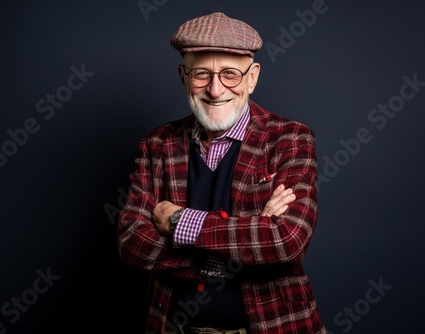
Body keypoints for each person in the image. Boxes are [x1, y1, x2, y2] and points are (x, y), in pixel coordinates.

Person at [117, 11, 327, 334]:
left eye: (230, 74)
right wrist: (231, 253)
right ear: (183, 77)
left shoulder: (291, 140)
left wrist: (178, 222)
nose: (215, 90)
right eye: (201, 74)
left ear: (252, 77)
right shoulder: (155, 144)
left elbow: (286, 240)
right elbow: (131, 240)